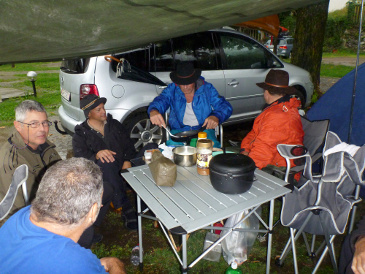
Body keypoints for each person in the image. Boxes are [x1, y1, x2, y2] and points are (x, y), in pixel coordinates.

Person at [0, 157, 126, 274]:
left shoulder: (21, 216)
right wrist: (114, 263)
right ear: (93, 211)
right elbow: (69, 263)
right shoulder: (76, 264)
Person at [73, 94, 153, 231]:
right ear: (89, 114)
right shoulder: (81, 134)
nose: (103, 111)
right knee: (106, 161)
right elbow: (81, 160)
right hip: (105, 175)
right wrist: (96, 155)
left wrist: (127, 160)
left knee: (152, 149)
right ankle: (125, 207)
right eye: (98, 110)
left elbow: (129, 146)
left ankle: (147, 201)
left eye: (103, 108)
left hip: (125, 166)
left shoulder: (114, 125)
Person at [148, 61, 233, 148]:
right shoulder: (172, 89)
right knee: (171, 153)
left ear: (195, 80)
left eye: (188, 82)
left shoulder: (207, 89)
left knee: (211, 151)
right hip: (179, 130)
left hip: (203, 130)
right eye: (181, 83)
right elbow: (161, 100)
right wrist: (154, 110)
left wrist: (216, 116)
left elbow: (225, 106)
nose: (185, 87)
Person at [0, 100, 61, 214]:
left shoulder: (44, 145)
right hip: (26, 222)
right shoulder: (12, 162)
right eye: (33, 124)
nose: (42, 129)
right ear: (18, 126)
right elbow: (15, 212)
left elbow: (62, 175)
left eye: (45, 123)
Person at [240, 69, 304, 171]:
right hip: (268, 159)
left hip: (278, 168)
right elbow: (254, 134)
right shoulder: (277, 108)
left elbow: (264, 150)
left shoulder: (278, 115)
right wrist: (245, 149)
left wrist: (246, 168)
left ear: (266, 92)